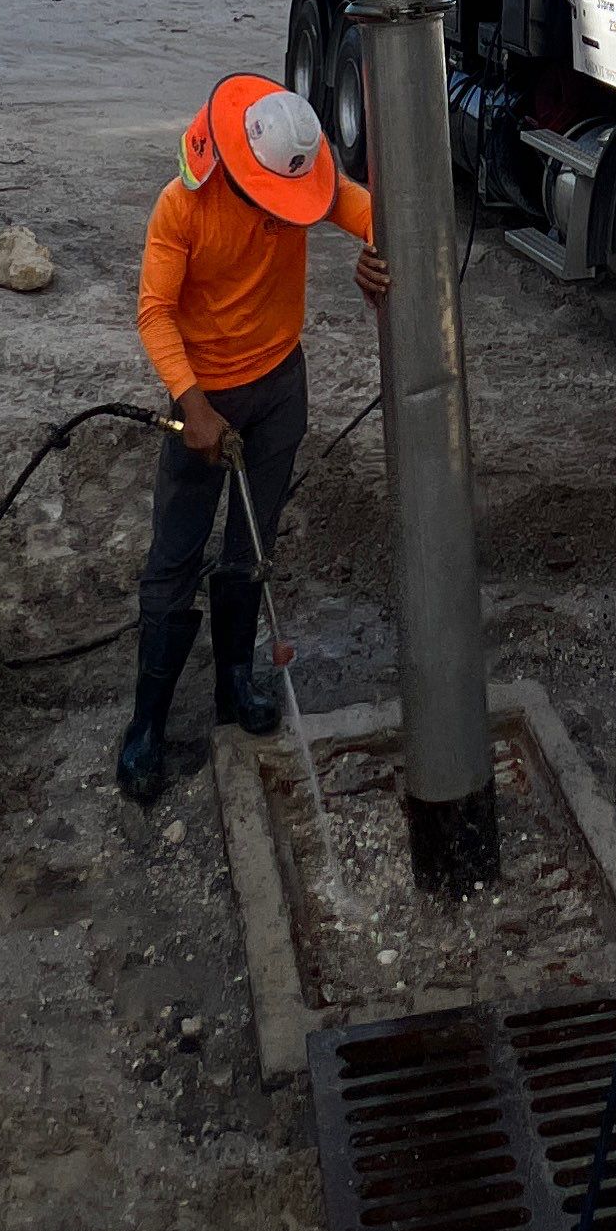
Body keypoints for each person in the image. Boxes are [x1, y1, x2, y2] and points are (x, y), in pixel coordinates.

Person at [115, 72, 387, 805]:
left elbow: (377, 216)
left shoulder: (301, 181)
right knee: (174, 556)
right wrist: (191, 403)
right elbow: (153, 312)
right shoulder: (183, 206)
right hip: (203, 398)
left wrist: (380, 258)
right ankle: (147, 722)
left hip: (278, 388)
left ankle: (234, 682)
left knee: (252, 545)